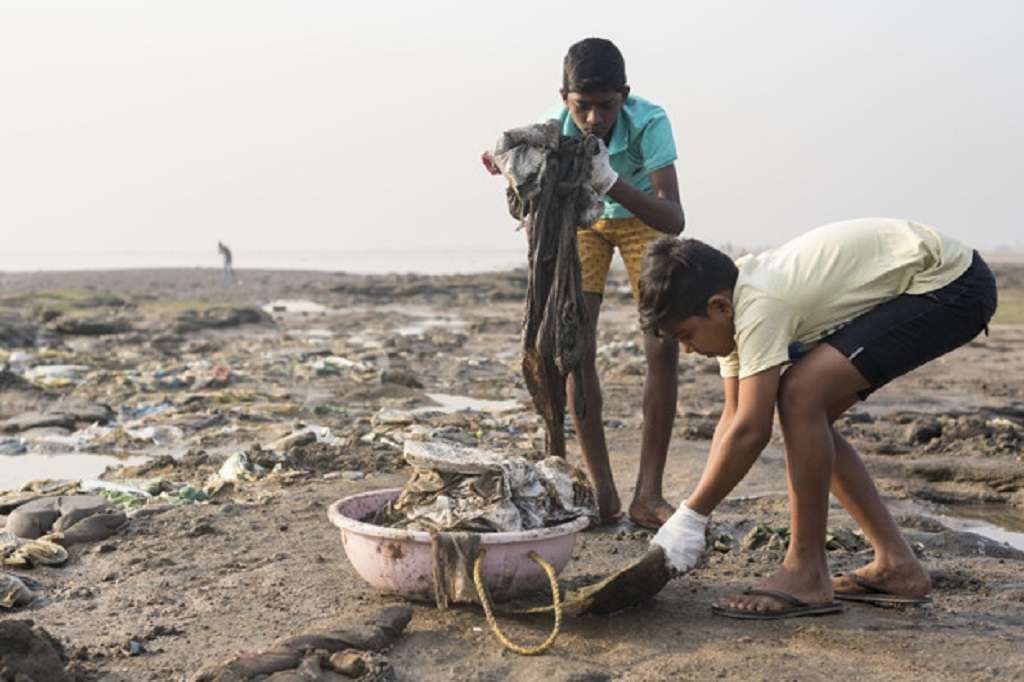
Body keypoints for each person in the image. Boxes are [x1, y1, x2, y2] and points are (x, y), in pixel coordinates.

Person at [641, 218, 997, 619]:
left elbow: (752, 432)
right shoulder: (731, 308)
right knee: (808, 411)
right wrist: (690, 515)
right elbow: (734, 419)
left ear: (718, 307)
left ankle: (806, 571)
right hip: (930, 281)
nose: (687, 350)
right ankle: (896, 565)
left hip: (951, 285)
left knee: (800, 394)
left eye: (687, 336)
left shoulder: (759, 305)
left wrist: (691, 515)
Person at [484, 37, 685, 528]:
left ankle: (648, 495)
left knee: (661, 347)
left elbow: (674, 218)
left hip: (640, 219)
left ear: (625, 95)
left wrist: (611, 180)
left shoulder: (650, 122)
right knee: (575, 347)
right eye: (582, 108)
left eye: (606, 106)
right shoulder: (552, 128)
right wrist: (511, 170)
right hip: (584, 222)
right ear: (563, 97)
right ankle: (603, 493)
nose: (594, 118)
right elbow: (536, 190)